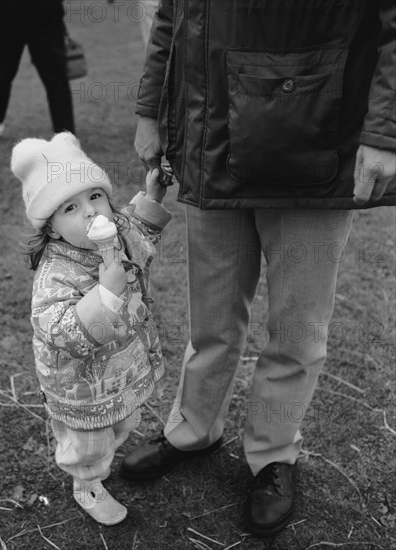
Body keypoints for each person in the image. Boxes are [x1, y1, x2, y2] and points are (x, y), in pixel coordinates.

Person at [120, 0, 396, 537]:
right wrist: (149, 109)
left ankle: (272, 451)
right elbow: (171, 16)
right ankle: (195, 429)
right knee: (212, 318)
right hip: (207, 141)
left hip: (314, 141)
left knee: (296, 326)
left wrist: (385, 133)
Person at [10, 132, 171, 525]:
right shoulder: (55, 275)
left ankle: (102, 461)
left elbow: (140, 235)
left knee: (123, 423)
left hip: (121, 370)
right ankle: (88, 484)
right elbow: (61, 330)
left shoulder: (116, 231)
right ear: (50, 228)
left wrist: (152, 197)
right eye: (70, 206)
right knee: (89, 443)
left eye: (94, 196)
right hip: (80, 385)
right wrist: (105, 297)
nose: (89, 211)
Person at [0, 1, 74, 139]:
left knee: (3, 67)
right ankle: (65, 134)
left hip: (9, 10)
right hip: (45, 8)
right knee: (55, 74)